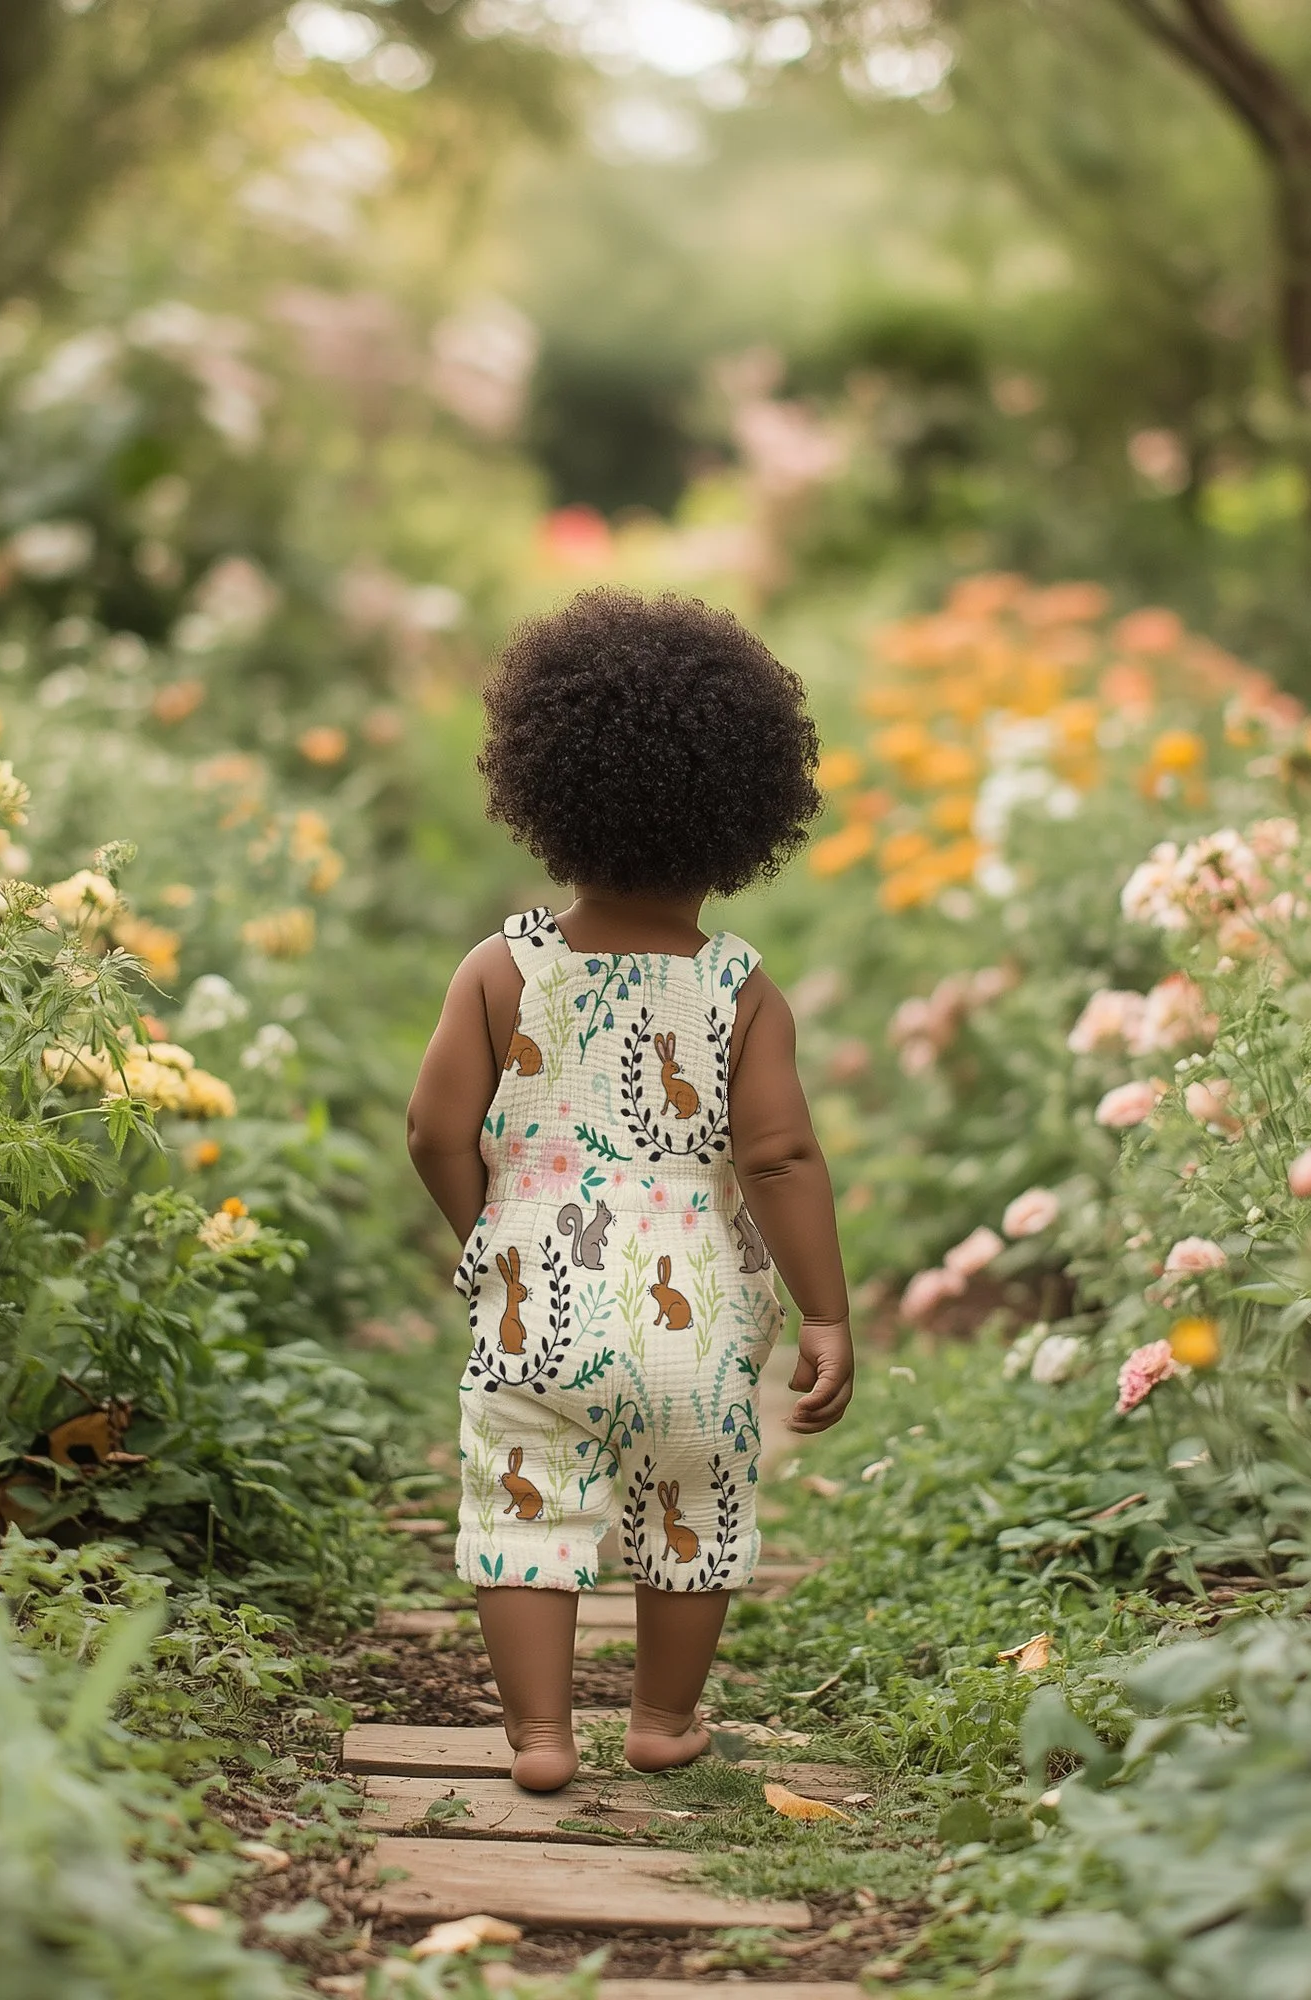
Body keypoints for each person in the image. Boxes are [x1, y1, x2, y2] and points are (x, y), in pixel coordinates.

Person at [406, 587, 855, 1793]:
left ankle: (542, 1738)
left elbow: (433, 1128)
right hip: (691, 1321)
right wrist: (823, 1311)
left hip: (535, 1303)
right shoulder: (738, 988)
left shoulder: (501, 967)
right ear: (742, 817)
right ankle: (659, 1718)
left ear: (545, 798)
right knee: (690, 1515)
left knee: (524, 1511)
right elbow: (777, 1158)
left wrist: (483, 1231)